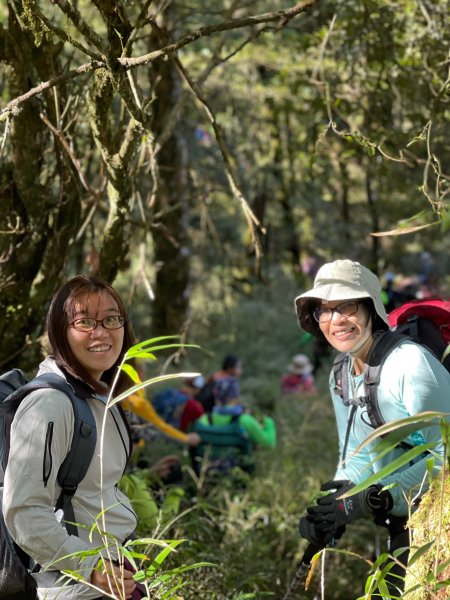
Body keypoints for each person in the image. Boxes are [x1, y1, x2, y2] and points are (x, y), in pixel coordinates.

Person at [294, 259, 450, 594]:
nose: (336, 320)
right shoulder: (342, 373)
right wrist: (334, 503)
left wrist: (368, 501)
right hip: (408, 524)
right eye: (323, 309)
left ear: (370, 308)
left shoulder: (409, 365)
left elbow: (447, 458)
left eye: (346, 306)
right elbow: (356, 455)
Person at [3, 275, 144, 599]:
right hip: (75, 588)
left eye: (111, 319)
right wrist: (90, 567)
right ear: (60, 331)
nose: (101, 332)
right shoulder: (49, 403)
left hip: (110, 579)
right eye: (84, 321)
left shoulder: (97, 397)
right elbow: (24, 511)